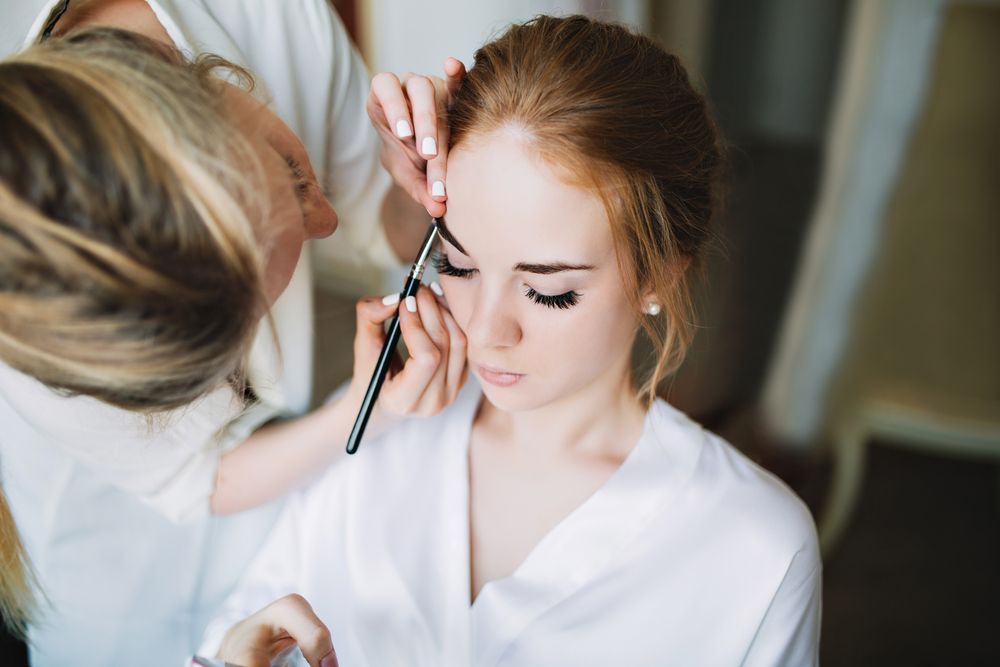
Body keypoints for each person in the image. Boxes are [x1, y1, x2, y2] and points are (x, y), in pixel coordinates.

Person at [201, 14, 823, 667]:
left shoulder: (755, 548)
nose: (487, 330)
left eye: (549, 289)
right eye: (458, 267)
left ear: (661, 272)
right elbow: (234, 633)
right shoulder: (375, 437)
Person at [0, 1, 465, 664]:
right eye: (235, 370)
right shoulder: (29, 319)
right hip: (108, 584)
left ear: (204, 73)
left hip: (279, 540)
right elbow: (197, 476)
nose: (325, 218)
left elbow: (378, 223)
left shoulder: (273, 20)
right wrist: (369, 412)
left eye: (294, 171)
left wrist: (414, 171)